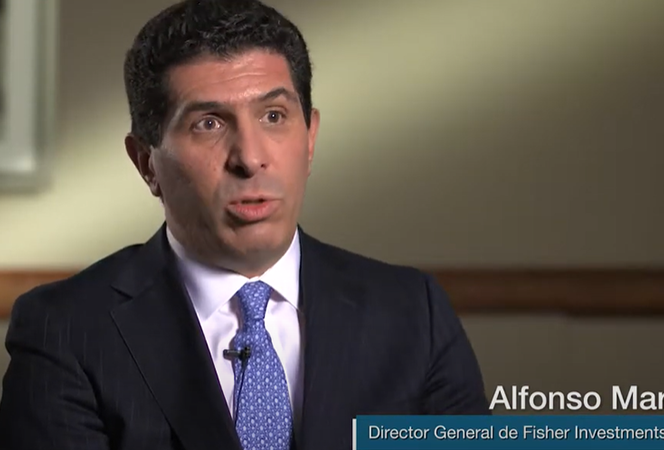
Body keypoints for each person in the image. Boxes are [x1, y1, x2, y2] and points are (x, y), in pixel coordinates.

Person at [0, 1, 489, 449]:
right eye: (209, 123)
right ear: (146, 163)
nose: (250, 158)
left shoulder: (413, 313)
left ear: (310, 139)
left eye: (274, 116)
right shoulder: (66, 331)